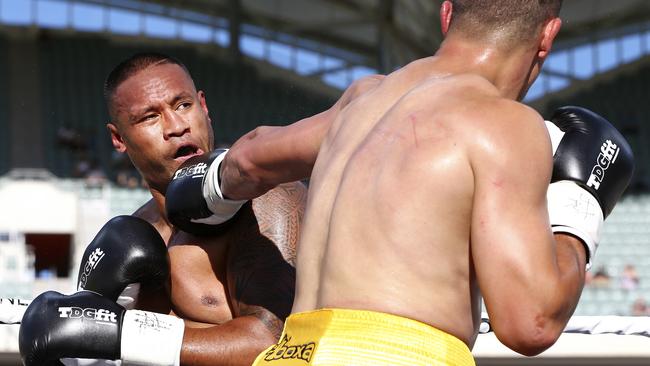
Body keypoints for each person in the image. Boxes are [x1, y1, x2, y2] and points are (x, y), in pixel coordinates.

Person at [164, 1, 635, 365]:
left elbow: (248, 160)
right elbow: (529, 322)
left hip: (293, 352)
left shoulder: (363, 99)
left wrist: (204, 190)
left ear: (445, 13)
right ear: (548, 37)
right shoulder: (506, 124)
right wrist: (579, 205)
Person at [18, 53, 307, 366]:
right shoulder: (129, 235)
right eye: (149, 117)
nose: (176, 126)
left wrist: (124, 335)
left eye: (183, 105)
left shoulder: (261, 197)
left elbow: (281, 344)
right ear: (118, 138)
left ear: (204, 107)